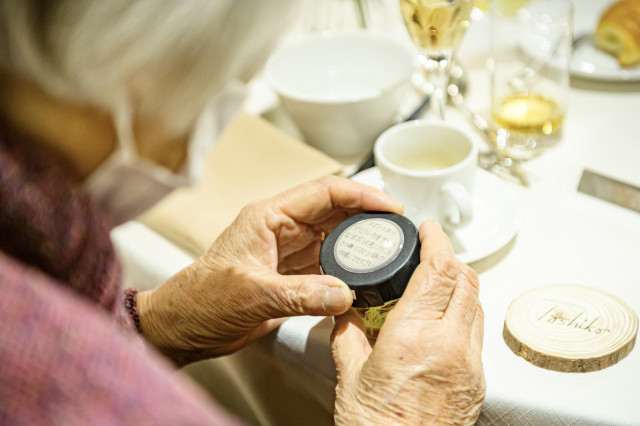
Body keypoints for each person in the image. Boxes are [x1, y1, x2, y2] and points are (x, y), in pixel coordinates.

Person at [0, 0, 485, 424]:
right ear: (131, 67)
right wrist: (399, 420)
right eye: (227, 88)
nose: (196, 153)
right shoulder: (77, 396)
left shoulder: (43, 256)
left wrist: (158, 324)